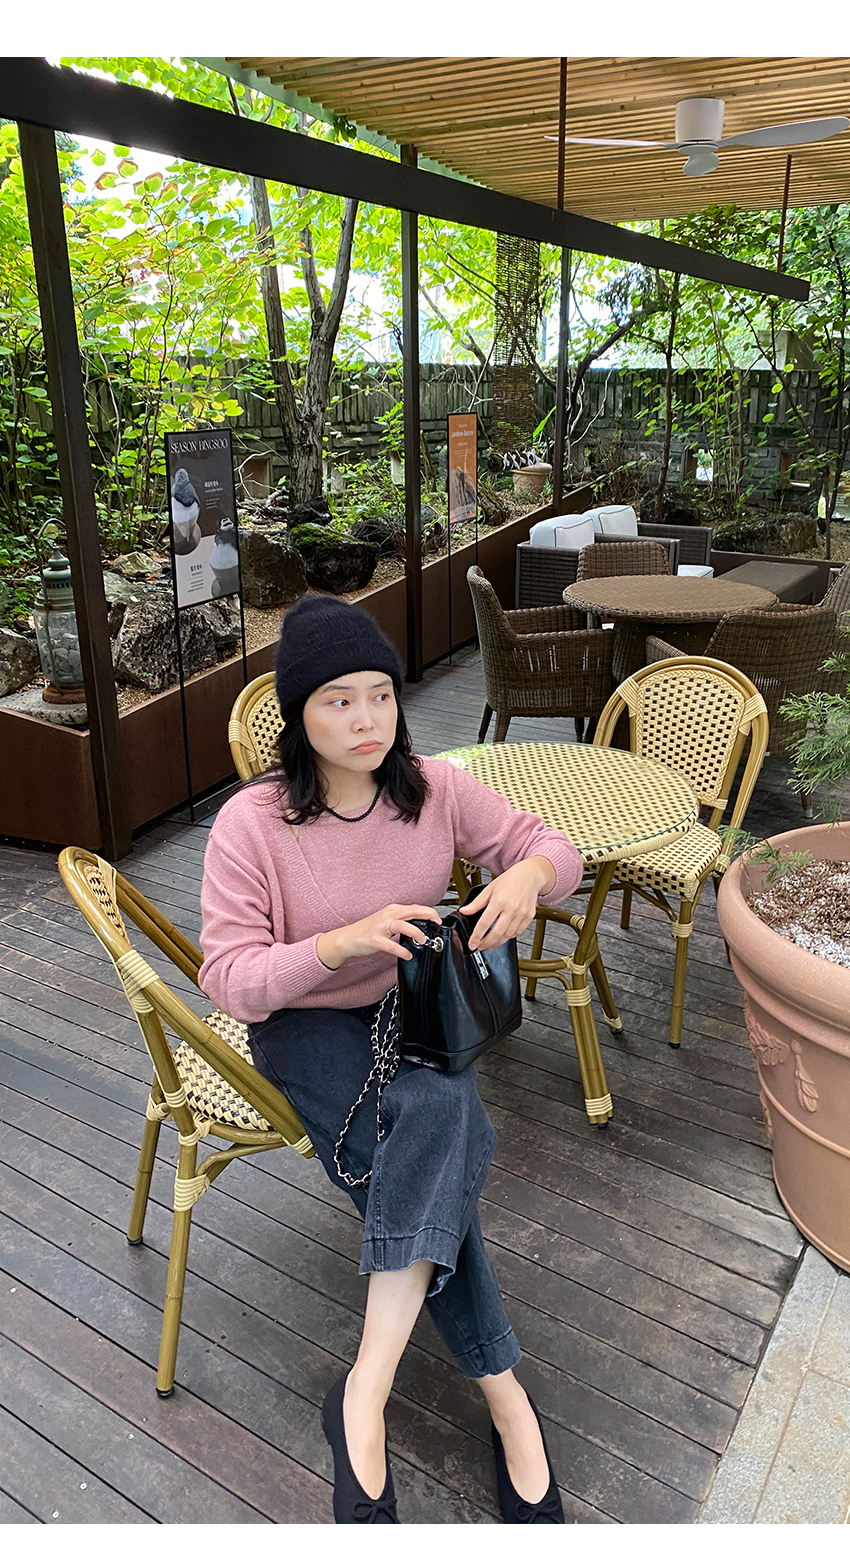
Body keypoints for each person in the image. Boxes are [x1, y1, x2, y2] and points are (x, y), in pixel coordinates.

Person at [198, 595, 584, 1525]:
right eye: (338, 701)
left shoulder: (435, 787)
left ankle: (362, 1396)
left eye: (380, 694)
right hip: (306, 1024)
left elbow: (549, 845)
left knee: (436, 1126)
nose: (367, 719)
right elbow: (230, 980)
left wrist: (529, 877)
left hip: (415, 1014)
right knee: (438, 1145)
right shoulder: (252, 825)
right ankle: (507, 1399)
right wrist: (336, 944)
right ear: (298, 714)